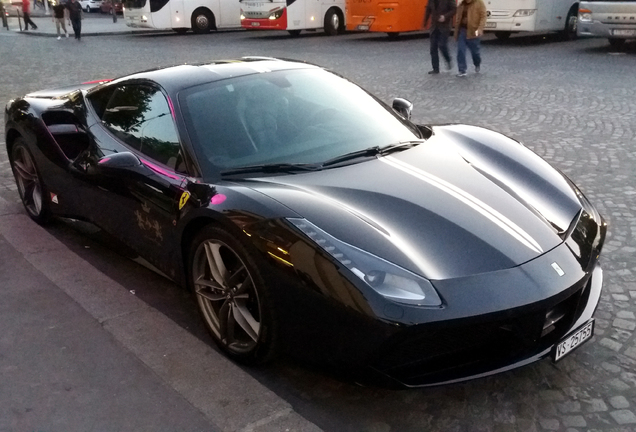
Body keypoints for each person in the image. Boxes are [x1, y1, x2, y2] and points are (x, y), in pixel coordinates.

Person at [454, 0, 487, 77]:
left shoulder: (479, 3)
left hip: (473, 31)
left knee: (475, 52)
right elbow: (458, 18)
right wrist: (456, 33)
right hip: (462, 30)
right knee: (461, 50)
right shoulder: (461, 4)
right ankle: (462, 70)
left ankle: (477, 63)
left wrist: (480, 28)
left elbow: (483, 16)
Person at [423, 0, 456, 75]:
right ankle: (435, 68)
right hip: (434, 26)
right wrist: (424, 22)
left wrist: (445, 16)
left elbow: (454, 9)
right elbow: (428, 9)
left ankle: (448, 59)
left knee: (442, 45)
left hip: (445, 26)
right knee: (433, 48)